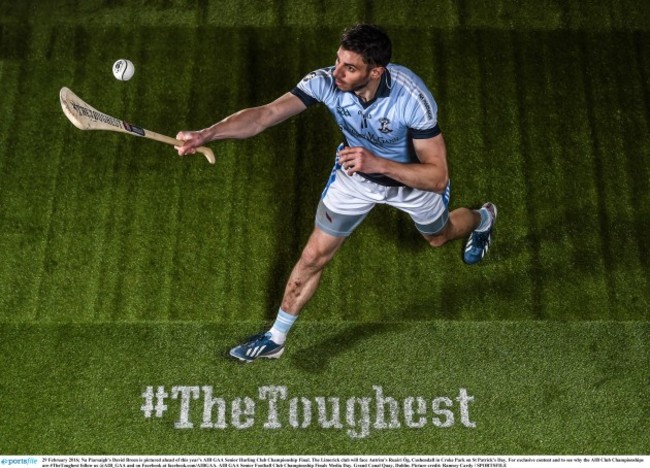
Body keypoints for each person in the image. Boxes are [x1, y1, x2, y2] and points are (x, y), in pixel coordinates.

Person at [176, 24, 497, 363]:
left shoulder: (412, 100)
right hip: (354, 177)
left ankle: (483, 218)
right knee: (313, 256)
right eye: (338, 61)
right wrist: (208, 134)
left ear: (376, 71)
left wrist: (378, 163)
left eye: (350, 67)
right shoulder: (326, 81)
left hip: (411, 182)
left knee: (438, 236)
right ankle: (276, 337)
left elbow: (436, 177)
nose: (337, 73)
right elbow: (265, 115)